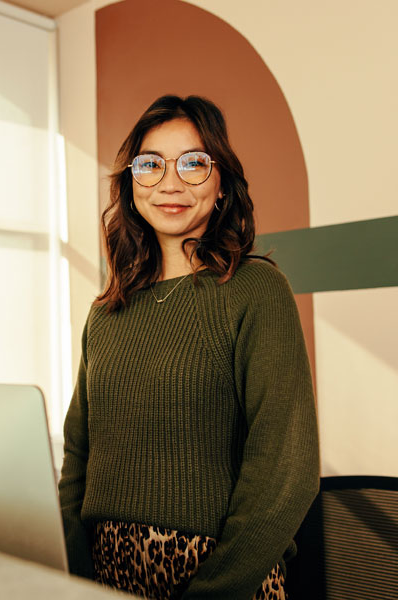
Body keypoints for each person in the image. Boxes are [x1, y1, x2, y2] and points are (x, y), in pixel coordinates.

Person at [58, 95, 319, 600]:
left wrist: (211, 592)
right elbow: (77, 455)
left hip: (222, 579)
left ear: (221, 184)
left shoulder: (256, 290)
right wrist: (70, 567)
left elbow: (287, 469)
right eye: (150, 165)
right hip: (101, 575)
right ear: (131, 184)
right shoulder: (106, 311)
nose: (170, 183)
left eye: (194, 163)